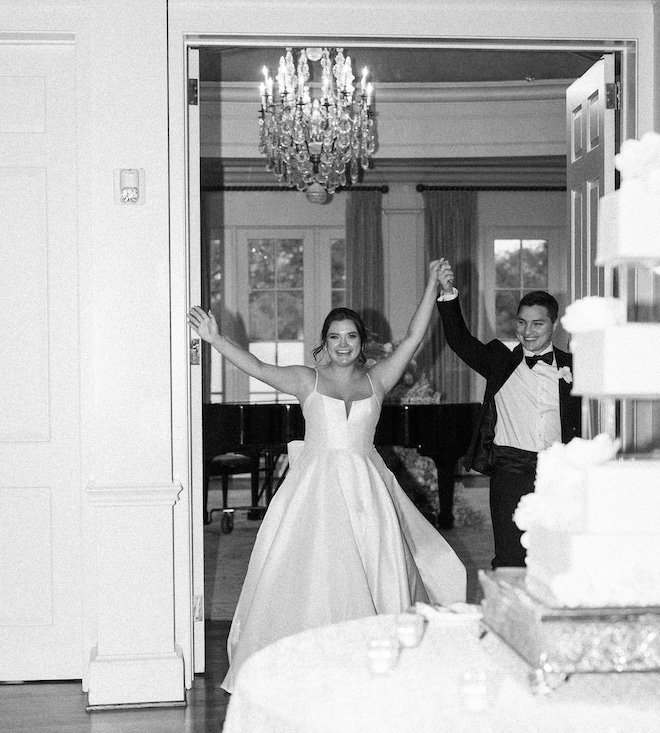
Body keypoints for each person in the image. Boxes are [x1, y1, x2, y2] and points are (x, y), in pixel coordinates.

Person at [188, 260, 466, 693]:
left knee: (375, 568)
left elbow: (413, 336)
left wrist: (430, 283)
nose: (343, 344)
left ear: (362, 342)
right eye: (334, 337)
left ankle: (373, 658)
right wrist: (214, 339)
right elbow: (258, 367)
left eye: (350, 336)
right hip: (314, 490)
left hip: (366, 491)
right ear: (324, 342)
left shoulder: (378, 379)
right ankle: (308, 661)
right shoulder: (306, 379)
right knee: (314, 573)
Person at [435, 259, 581, 569]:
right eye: (522, 322)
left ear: (554, 325)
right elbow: (460, 340)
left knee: (556, 556)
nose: (527, 331)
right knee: (510, 558)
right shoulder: (500, 361)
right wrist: (448, 294)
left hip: (559, 472)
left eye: (537, 323)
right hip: (511, 470)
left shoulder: (576, 365)